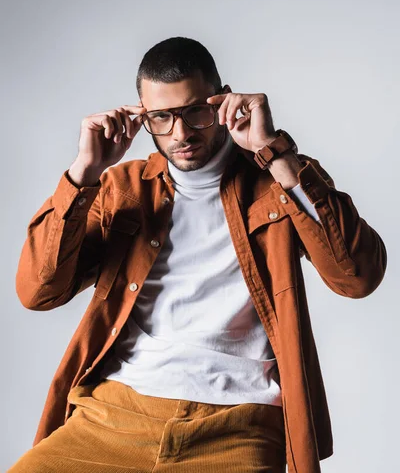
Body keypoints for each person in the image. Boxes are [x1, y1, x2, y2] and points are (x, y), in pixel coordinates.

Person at [10, 37, 387, 473]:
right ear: (142, 115)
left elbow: (357, 277)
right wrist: (84, 172)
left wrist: (273, 151)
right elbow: (38, 291)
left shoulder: (276, 181)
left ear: (223, 98)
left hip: (239, 422)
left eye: (196, 112)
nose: (181, 133)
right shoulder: (122, 188)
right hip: (117, 413)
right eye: (162, 118)